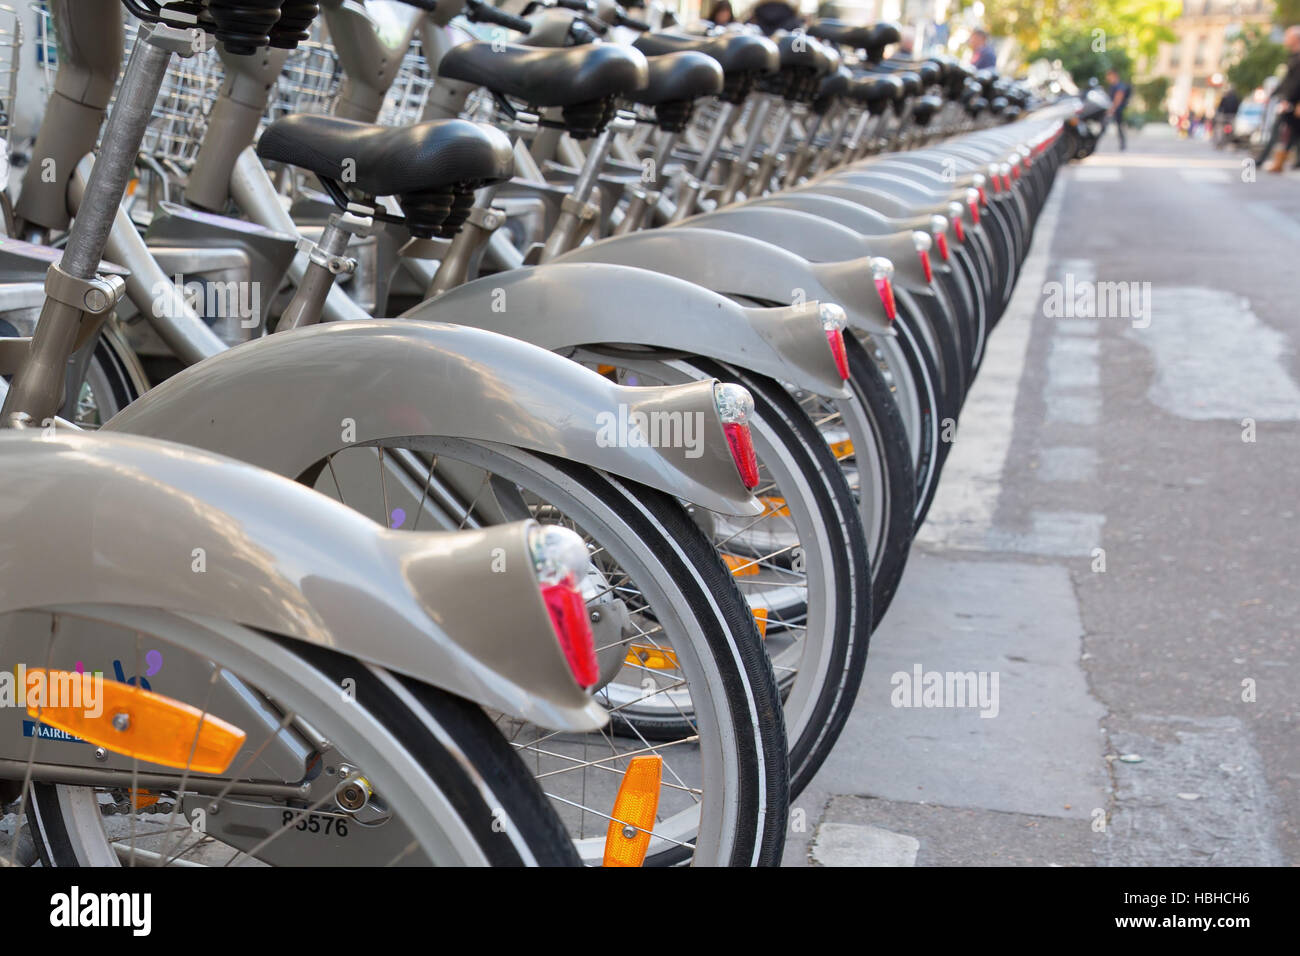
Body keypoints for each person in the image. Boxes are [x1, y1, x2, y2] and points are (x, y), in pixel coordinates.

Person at [1258, 25, 1300, 172]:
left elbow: (1295, 82)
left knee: (1279, 129)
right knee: (1294, 132)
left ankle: (1265, 160)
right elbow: (1286, 81)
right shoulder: (1293, 57)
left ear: (1296, 39)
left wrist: (1289, 99)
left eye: (1288, 36)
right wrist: (1273, 94)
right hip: (1289, 101)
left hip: (1292, 102)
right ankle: (1281, 161)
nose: (1285, 40)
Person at [1103, 67, 1132, 150]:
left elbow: (1118, 98)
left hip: (1117, 110)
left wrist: (1112, 109)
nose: (1107, 78)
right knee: (1112, 126)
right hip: (1115, 109)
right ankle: (1122, 144)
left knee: (1117, 127)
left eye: (1109, 75)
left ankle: (1123, 144)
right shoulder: (1113, 86)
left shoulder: (1119, 86)